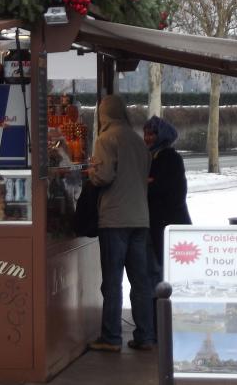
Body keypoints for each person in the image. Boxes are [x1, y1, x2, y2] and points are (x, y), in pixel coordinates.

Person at [87, 95, 154, 353]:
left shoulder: (106, 139)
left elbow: (103, 176)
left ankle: (111, 337)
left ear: (103, 115)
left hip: (115, 218)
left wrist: (91, 173)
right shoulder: (138, 141)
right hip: (140, 218)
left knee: (113, 281)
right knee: (140, 281)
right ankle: (146, 336)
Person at [142, 115, 191, 291]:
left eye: (152, 134)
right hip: (160, 224)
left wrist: (149, 184)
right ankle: (158, 315)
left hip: (169, 225)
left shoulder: (169, 158)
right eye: (145, 133)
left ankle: (161, 315)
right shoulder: (151, 157)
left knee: (164, 272)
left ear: (162, 135)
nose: (147, 137)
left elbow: (171, 191)